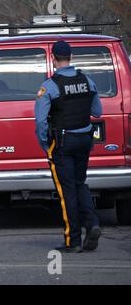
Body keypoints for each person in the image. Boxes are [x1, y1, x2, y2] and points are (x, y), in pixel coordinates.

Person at [35, 41, 103, 253]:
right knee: (80, 182)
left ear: (53, 58)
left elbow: (40, 122)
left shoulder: (50, 86)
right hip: (84, 140)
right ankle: (92, 224)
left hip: (63, 143)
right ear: (71, 57)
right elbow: (98, 112)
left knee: (67, 191)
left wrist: (45, 144)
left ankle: (72, 240)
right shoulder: (87, 81)